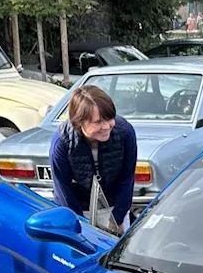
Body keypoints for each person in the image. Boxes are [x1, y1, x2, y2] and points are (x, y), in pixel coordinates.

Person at [49, 86, 139, 235]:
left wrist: (117, 218)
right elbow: (62, 190)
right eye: (98, 122)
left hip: (115, 207)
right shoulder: (62, 142)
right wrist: (79, 225)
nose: (106, 126)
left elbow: (127, 178)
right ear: (79, 122)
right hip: (79, 209)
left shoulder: (125, 133)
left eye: (109, 118)